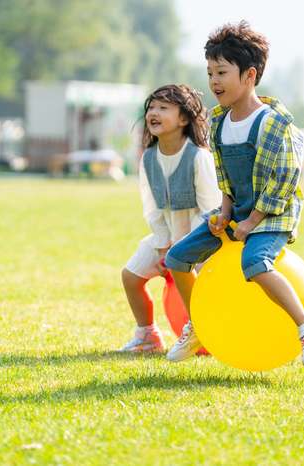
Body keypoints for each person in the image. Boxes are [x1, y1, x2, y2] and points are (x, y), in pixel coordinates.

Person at [163, 21, 304, 366]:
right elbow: (226, 176)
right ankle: (198, 324)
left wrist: (254, 219)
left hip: (272, 216)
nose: (213, 82)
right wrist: (225, 212)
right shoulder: (219, 122)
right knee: (177, 258)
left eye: (222, 72)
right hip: (237, 213)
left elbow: (285, 178)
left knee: (254, 263)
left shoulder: (273, 123)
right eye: (210, 72)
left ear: (249, 75)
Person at [117, 84, 220, 353]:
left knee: (202, 293)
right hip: (167, 239)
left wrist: (182, 250)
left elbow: (211, 210)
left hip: (204, 243)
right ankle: (148, 335)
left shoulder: (199, 157)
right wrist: (164, 247)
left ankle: (209, 335)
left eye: (164, 107)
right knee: (130, 276)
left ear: (184, 119)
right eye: (151, 107)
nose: (154, 112)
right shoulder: (149, 158)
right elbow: (152, 208)